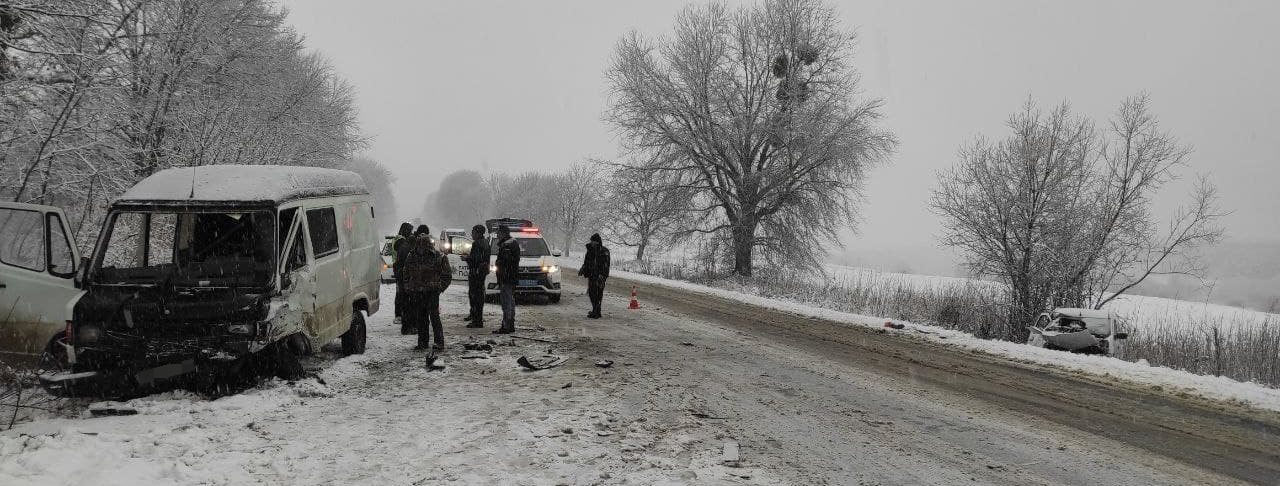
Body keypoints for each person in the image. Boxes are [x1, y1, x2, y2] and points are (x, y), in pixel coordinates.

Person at [400, 225, 451, 351]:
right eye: (419, 246)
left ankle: (439, 342)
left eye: (423, 246)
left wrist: (440, 287)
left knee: (434, 317)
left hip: (432, 292)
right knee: (421, 318)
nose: (421, 248)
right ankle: (422, 342)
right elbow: (406, 272)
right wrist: (408, 286)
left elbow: (447, 275)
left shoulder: (438, 256)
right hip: (417, 292)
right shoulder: (412, 256)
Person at [493, 225, 521, 334]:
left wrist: (499, 264)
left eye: (498, 233)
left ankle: (506, 326)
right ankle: (510, 324)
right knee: (510, 301)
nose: (497, 235)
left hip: (506, 277)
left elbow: (507, 262)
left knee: (506, 302)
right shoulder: (511, 244)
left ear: (503, 233)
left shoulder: (507, 245)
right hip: (509, 277)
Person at [463, 224, 490, 328]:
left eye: (473, 232)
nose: (472, 234)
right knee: (478, 296)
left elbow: (476, 259)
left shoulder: (478, 244)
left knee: (475, 296)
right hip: (481, 273)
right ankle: (476, 317)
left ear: (478, 233)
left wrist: (467, 258)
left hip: (476, 273)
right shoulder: (485, 242)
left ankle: (477, 320)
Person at [578, 233, 611, 319]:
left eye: (593, 241)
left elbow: (606, 265)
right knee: (592, 293)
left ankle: (596, 312)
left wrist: (602, 276)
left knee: (598, 293)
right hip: (592, 275)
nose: (591, 242)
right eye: (591, 241)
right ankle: (595, 310)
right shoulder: (590, 250)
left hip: (600, 276)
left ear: (597, 241)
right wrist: (583, 268)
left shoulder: (604, 251)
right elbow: (586, 261)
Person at [391, 222, 413, 333]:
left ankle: (399, 315)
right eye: (410, 231)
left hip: (398, 270)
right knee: (401, 294)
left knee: (399, 293)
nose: (411, 233)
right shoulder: (402, 242)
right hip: (401, 271)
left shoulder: (396, 239)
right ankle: (399, 315)